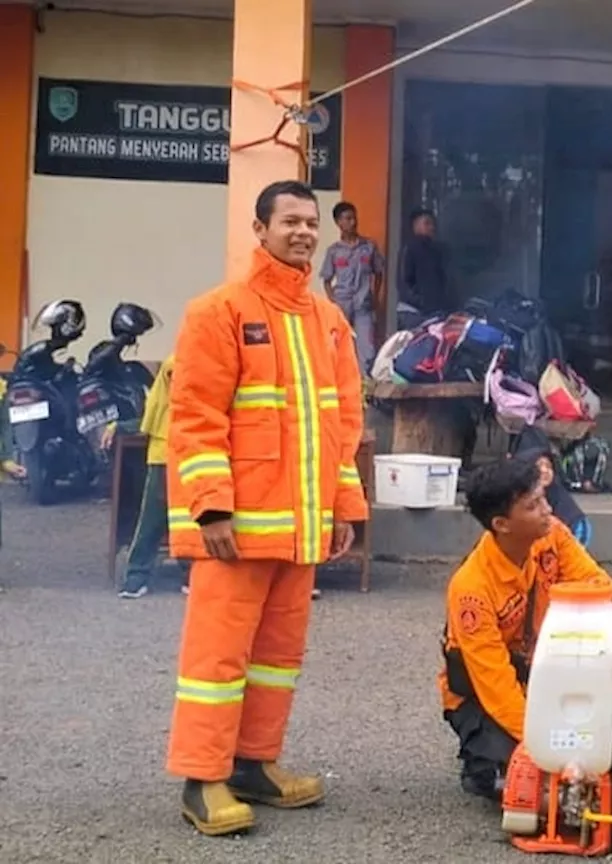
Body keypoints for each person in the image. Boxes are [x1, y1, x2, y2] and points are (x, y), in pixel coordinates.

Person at [163, 180, 369, 837]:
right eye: (290, 221)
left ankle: (253, 765)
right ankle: (204, 780)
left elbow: (343, 428)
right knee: (216, 662)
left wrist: (344, 508)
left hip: (300, 532)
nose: (303, 231)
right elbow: (194, 418)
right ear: (260, 230)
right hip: (235, 532)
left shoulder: (328, 322)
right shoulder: (217, 311)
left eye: (311, 221)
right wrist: (211, 508)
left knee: (276, 659)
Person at [438, 458, 612, 799]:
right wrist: (551, 748)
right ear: (502, 524)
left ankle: (604, 727)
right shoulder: (471, 589)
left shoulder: (553, 535)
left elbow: (600, 586)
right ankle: (480, 760)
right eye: (533, 505)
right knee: (514, 781)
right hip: (483, 694)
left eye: (543, 497)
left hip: (543, 667)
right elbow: (496, 686)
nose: (547, 509)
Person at [117, 354, 191, 599]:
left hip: (169, 447)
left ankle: (137, 577)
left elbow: (154, 410)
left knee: (155, 517)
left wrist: (123, 426)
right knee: (183, 517)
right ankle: (188, 573)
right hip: (181, 449)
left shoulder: (174, 362)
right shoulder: (184, 362)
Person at [320, 201, 385, 374]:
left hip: (364, 304)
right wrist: (333, 302)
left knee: (367, 348)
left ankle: (365, 388)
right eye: (347, 219)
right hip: (342, 304)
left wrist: (375, 296)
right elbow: (326, 279)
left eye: (354, 218)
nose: (353, 222)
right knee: (338, 345)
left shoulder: (369, 247)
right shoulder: (333, 251)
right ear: (338, 223)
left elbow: (379, 273)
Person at [510, 425, 592, 547]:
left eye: (548, 466)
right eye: (538, 465)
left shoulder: (566, 509)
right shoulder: (512, 497)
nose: (545, 471)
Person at [398, 209, 450, 331]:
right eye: (427, 223)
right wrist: (421, 302)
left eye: (433, 224)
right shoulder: (409, 248)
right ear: (415, 226)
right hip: (414, 312)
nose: (431, 227)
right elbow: (403, 281)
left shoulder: (437, 251)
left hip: (434, 312)